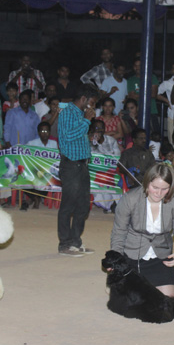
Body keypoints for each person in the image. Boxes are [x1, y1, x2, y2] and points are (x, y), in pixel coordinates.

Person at [110, 162, 174, 297]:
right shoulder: (130, 198)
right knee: (130, 300)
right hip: (131, 255)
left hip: (160, 256)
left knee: (168, 300)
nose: (159, 193)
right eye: (155, 187)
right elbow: (119, 232)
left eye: (165, 189)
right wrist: (116, 259)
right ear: (147, 182)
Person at [57, 84, 99, 257]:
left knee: (83, 206)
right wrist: (87, 121)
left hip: (82, 165)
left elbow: (79, 137)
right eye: (92, 103)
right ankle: (64, 244)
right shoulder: (67, 112)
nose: (94, 107)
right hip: (71, 165)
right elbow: (68, 136)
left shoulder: (81, 115)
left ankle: (76, 242)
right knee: (68, 205)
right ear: (83, 99)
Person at [158, 62, 174, 141]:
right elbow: (156, 94)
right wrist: (167, 101)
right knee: (172, 140)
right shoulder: (167, 83)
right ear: (172, 71)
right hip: (172, 115)